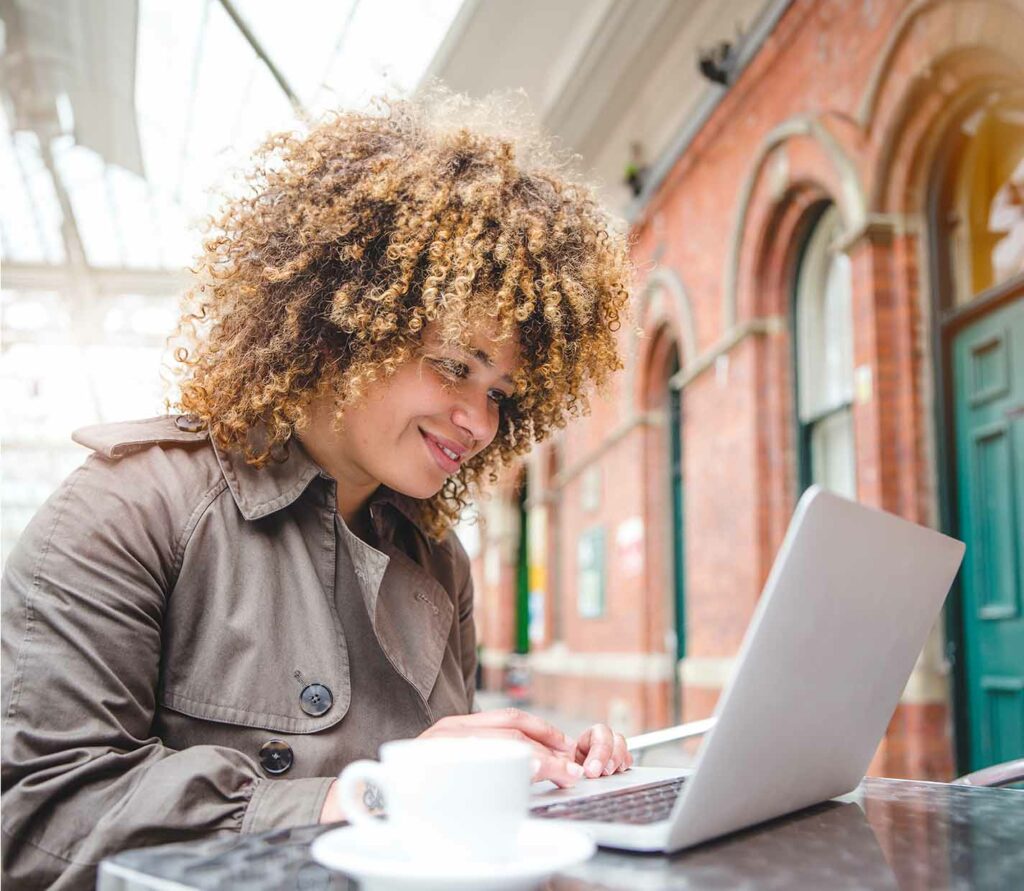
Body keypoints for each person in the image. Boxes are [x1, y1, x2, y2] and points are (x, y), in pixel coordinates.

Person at [0, 92, 633, 888]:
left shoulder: (439, 563)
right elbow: (40, 817)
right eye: (455, 365)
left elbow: (442, 827)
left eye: (502, 392)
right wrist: (370, 794)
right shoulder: (126, 511)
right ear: (348, 327)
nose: (478, 421)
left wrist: (543, 771)